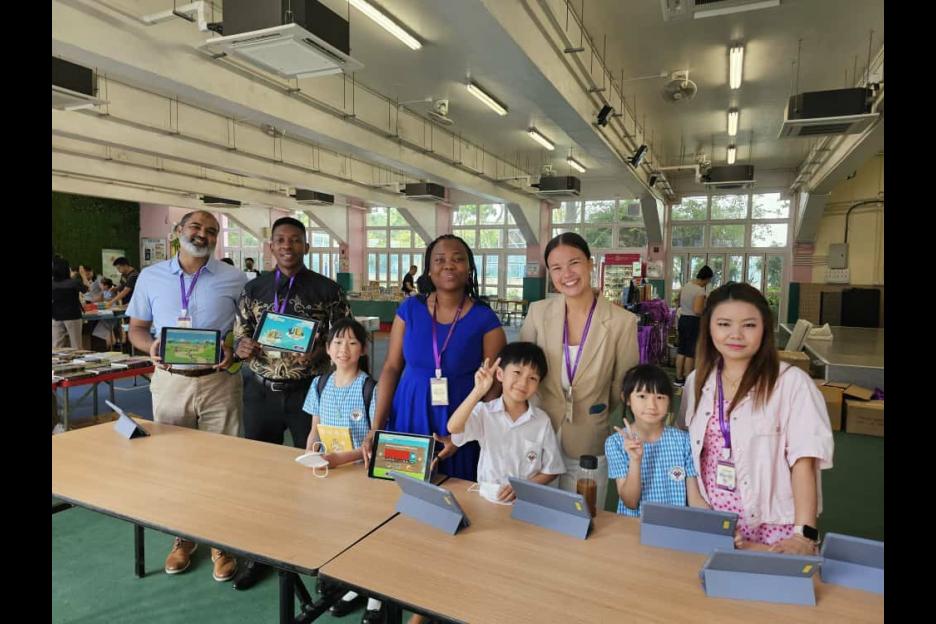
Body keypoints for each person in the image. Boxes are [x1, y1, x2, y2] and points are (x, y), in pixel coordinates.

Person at [231, 216, 351, 591]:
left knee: (318, 473)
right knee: (260, 476)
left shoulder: (328, 290)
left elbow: (344, 337)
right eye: (280, 240)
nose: (287, 246)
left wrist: (320, 351)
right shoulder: (253, 289)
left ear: (306, 246)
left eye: (295, 240)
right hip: (260, 392)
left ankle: (322, 557)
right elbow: (239, 334)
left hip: (309, 394)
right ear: (271, 247)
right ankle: (258, 554)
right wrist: (241, 346)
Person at [127, 210, 247, 583]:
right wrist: (149, 347)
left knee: (223, 466)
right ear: (178, 232)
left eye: (211, 231)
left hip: (218, 383)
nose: (202, 235)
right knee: (174, 465)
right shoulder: (151, 277)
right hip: (170, 382)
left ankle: (220, 543)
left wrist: (234, 348)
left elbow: (247, 329)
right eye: (195, 227)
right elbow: (137, 328)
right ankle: (184, 538)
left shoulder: (234, 278)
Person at [678, 282, 833, 554]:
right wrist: (700, 511)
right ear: (709, 327)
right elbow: (686, 452)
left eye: (749, 325)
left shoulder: (791, 384)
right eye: (724, 324)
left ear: (764, 328)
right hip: (715, 521)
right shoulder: (696, 382)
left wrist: (804, 535)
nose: (735, 334)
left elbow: (804, 462)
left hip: (775, 526)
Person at [372, 234, 506, 484]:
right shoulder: (409, 310)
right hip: (409, 412)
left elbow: (494, 387)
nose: (448, 265)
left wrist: (464, 434)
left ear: (469, 269)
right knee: (400, 487)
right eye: (440, 260)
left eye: (458, 259)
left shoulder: (485, 319)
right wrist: (376, 426)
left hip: (459, 420)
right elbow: (391, 367)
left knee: (455, 491)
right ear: (429, 269)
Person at [519, 232, 639, 509]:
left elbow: (622, 385)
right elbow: (523, 371)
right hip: (540, 430)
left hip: (589, 434)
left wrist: (596, 409)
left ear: (590, 264)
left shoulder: (621, 322)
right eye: (557, 268)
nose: (567, 274)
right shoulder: (538, 312)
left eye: (574, 263)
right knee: (537, 513)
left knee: (584, 514)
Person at [301, 318, 383, 623]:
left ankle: (376, 597)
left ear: (363, 349)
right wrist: (311, 452)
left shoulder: (371, 388)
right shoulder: (319, 384)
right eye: (337, 342)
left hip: (359, 476)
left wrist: (340, 459)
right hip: (330, 474)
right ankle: (352, 587)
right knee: (340, 534)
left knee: (365, 535)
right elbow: (315, 429)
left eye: (351, 343)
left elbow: (372, 443)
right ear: (327, 348)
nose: (343, 349)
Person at [447, 342, 565, 503]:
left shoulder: (542, 421)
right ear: (500, 374)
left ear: (538, 385)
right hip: (487, 499)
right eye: (517, 372)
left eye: (532, 378)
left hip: (526, 501)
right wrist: (478, 391)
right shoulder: (485, 412)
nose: (523, 383)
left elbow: (552, 469)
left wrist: (522, 488)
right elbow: (453, 427)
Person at [605, 364, 705, 516]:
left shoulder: (684, 442)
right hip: (633, 527)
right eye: (642, 396)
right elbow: (630, 502)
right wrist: (635, 460)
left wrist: (721, 522)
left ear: (669, 401)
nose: (652, 405)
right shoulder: (616, 443)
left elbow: (694, 500)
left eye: (660, 397)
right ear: (627, 398)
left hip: (673, 527)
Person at [674, 265, 714, 386]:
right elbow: (697, 310)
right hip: (693, 322)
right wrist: (706, 309)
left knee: (681, 350)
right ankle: (688, 380)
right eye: (708, 280)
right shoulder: (699, 291)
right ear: (706, 278)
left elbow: (678, 301)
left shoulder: (687, 285)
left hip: (683, 319)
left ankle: (678, 378)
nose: (708, 283)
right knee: (690, 352)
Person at [52, 257, 87, 349]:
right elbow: (86, 289)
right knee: (76, 345)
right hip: (73, 315)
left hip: (56, 316)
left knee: (56, 346)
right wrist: (83, 275)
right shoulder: (74, 283)